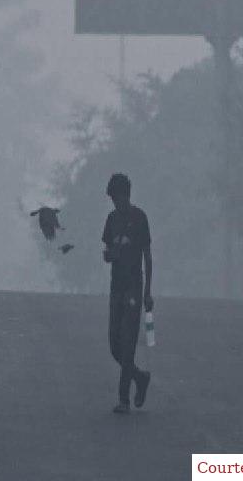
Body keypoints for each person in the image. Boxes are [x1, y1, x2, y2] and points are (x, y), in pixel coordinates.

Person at [102, 173, 153, 414]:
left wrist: (148, 292)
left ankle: (123, 399)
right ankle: (139, 377)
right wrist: (109, 255)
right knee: (114, 343)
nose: (114, 202)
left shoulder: (140, 218)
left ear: (125, 195)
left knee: (129, 343)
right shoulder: (111, 219)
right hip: (116, 286)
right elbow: (108, 250)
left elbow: (147, 256)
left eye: (116, 197)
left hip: (134, 285)